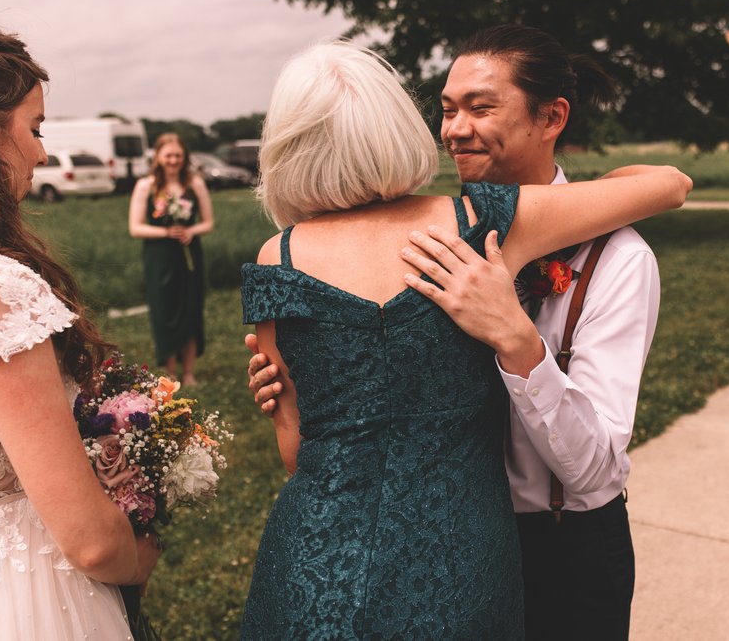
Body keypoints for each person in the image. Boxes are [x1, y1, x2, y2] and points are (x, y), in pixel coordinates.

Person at [238, 40, 690, 639]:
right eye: (447, 110)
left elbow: (296, 453)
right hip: (466, 546)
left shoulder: (279, 257)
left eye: (479, 108)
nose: (455, 130)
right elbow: (669, 182)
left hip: (524, 540)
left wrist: (518, 334)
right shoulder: (476, 221)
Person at [0, 0, 160, 639]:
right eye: (35, 129)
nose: (40, 156)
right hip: (25, 597)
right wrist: (139, 555)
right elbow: (89, 542)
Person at [128, 132, 213, 386]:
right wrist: (166, 231)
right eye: (169, 155)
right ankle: (170, 372)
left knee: (190, 308)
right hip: (160, 256)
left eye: (178, 155)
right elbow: (135, 227)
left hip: (189, 254)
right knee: (164, 310)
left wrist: (191, 231)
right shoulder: (147, 185)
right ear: (158, 157)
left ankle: (189, 372)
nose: (174, 160)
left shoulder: (195, 183)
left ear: (184, 156)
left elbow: (208, 222)